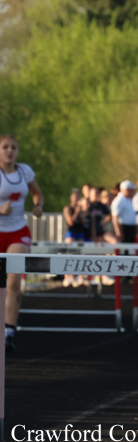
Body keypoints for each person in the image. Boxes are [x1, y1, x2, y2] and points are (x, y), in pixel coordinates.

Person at [0, 134, 44, 352]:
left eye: (13, 147)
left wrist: (38, 207)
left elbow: (38, 194)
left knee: (13, 281)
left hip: (18, 231)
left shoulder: (24, 171)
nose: (9, 151)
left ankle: (9, 330)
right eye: (5, 147)